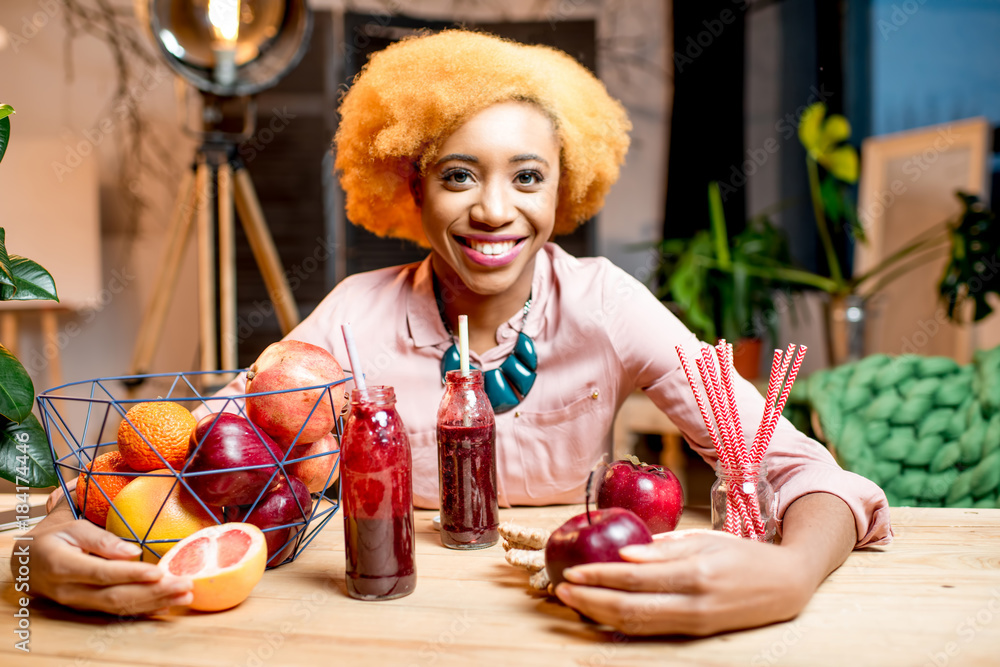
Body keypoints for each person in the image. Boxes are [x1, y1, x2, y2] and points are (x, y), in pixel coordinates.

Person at [16, 30, 891, 632]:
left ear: (563, 189)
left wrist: (787, 576)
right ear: (411, 184)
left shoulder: (606, 304)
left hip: (564, 623)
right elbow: (205, 446)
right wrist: (53, 533)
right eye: (460, 174)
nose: (495, 209)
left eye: (529, 176)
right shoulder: (357, 314)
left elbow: (796, 466)